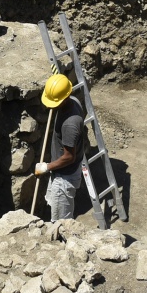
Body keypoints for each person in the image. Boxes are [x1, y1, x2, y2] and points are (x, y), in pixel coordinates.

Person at [33, 69, 86, 222]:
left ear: (64, 98)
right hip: (62, 172)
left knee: (61, 221)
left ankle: (62, 243)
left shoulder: (70, 125)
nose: (51, 106)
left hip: (65, 178)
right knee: (56, 210)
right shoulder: (73, 101)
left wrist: (47, 167)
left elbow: (69, 157)